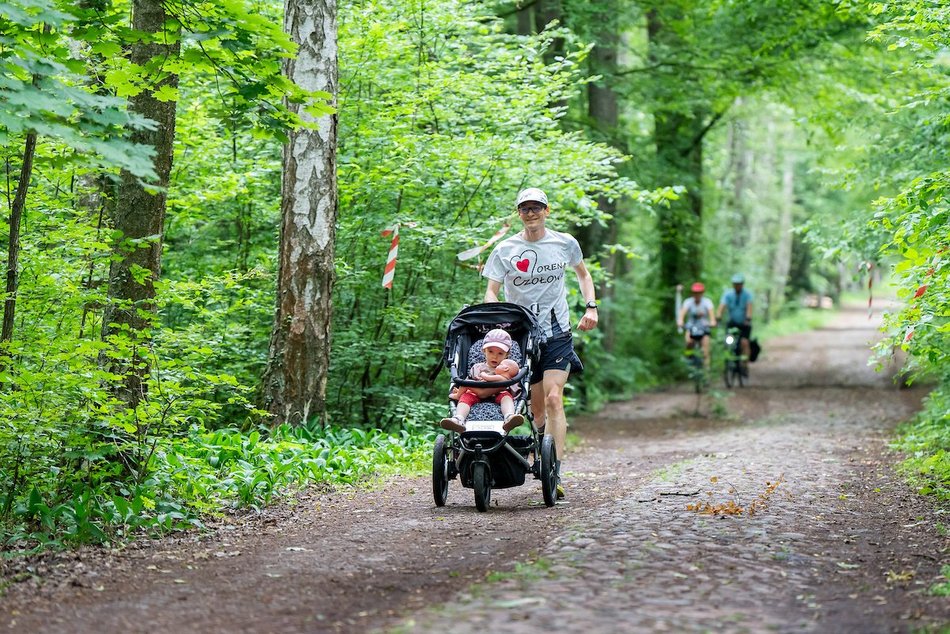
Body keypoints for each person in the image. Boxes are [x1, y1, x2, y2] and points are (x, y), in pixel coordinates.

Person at [482, 187, 598, 499]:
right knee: (537, 412)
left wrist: (591, 307)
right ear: (518, 213)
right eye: (525, 208)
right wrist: (494, 314)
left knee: (553, 399)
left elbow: (584, 276)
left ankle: (554, 471)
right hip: (521, 335)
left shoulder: (564, 243)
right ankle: (544, 451)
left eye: (537, 208)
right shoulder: (506, 249)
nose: (531, 213)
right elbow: (491, 291)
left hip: (557, 333)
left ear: (547, 211)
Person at [440, 328, 525, 433]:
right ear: (484, 351)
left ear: (507, 355)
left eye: (500, 353)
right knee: (466, 397)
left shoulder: (508, 370)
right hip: (476, 393)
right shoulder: (477, 367)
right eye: (490, 351)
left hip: (498, 392)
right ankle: (458, 419)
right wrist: (460, 391)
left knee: (506, 397)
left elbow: (514, 384)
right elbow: (468, 382)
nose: (495, 356)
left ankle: (509, 417)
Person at [717, 273, 753, 373]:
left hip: (744, 323)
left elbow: (749, 307)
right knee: (729, 341)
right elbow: (722, 306)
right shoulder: (728, 294)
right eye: (735, 284)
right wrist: (718, 316)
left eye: (739, 284)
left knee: (744, 342)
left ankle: (745, 365)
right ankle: (729, 361)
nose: (737, 285)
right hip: (732, 323)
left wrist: (748, 318)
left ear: (742, 284)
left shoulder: (747, 295)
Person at [677, 281, 716, 370]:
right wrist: (680, 321)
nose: (697, 295)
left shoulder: (707, 302)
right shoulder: (688, 302)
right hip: (691, 327)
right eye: (695, 293)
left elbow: (712, 317)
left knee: (705, 350)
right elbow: (682, 314)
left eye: (699, 293)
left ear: (702, 293)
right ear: (692, 293)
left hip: (704, 328)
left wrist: (712, 323)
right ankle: (688, 358)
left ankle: (706, 371)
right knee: (688, 342)